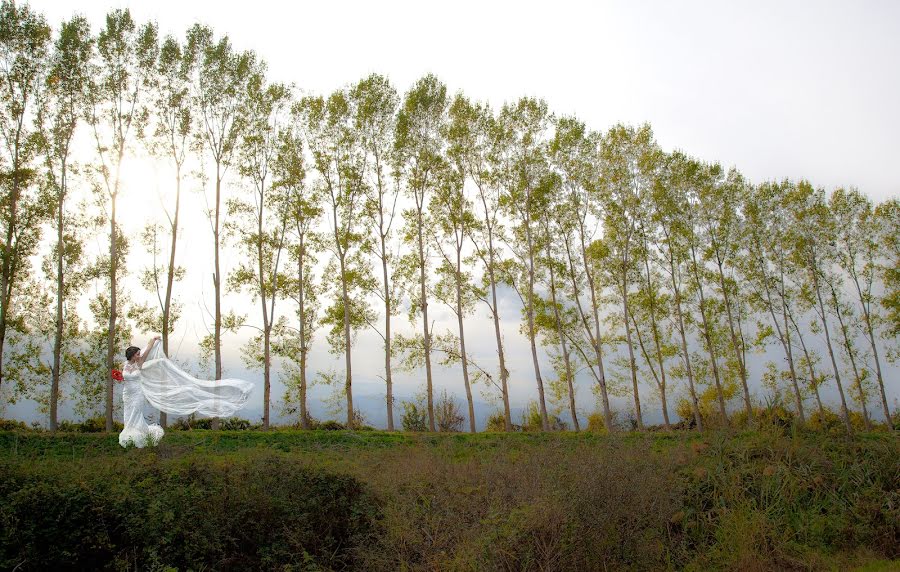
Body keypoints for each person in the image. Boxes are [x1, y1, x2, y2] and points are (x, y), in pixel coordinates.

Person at [117, 335, 254, 448]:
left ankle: (133, 434)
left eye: (139, 354)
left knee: (136, 412)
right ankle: (131, 431)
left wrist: (154, 339)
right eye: (137, 354)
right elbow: (126, 377)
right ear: (131, 355)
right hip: (127, 394)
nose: (139, 355)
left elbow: (148, 348)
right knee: (128, 413)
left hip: (138, 394)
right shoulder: (125, 365)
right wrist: (120, 378)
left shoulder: (140, 362)